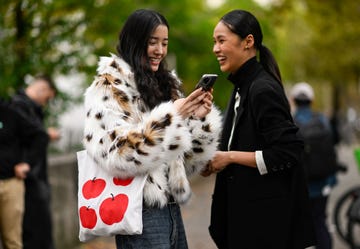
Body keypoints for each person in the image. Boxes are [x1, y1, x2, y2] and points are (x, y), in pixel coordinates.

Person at [83, 9, 222, 249]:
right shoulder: (109, 86)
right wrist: (171, 117)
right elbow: (117, 155)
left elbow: (186, 162)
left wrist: (197, 120)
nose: (160, 50)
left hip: (170, 206)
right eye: (152, 42)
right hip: (138, 206)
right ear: (135, 42)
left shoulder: (166, 84)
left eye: (164, 43)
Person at [201, 10, 316, 249]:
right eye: (215, 42)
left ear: (248, 42)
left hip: (264, 226)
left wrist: (229, 158)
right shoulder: (242, 86)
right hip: (244, 219)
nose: (215, 49)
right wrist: (212, 161)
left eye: (221, 40)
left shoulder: (262, 89)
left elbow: (288, 152)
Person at [11, 74, 60, 249]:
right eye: (47, 98)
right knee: (34, 231)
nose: (45, 103)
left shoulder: (26, 107)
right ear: (43, 90)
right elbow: (27, 136)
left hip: (34, 177)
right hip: (28, 179)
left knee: (40, 230)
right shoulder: (18, 106)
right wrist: (46, 134)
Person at [291, 82, 338, 249]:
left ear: (293, 100)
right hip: (323, 181)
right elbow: (331, 148)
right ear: (312, 100)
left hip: (301, 184)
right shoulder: (323, 120)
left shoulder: (291, 123)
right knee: (320, 222)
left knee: (297, 224)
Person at [0, 99, 48, 249]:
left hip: (10, 183)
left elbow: (40, 136)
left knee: (13, 241)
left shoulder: (9, 113)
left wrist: (27, 163)